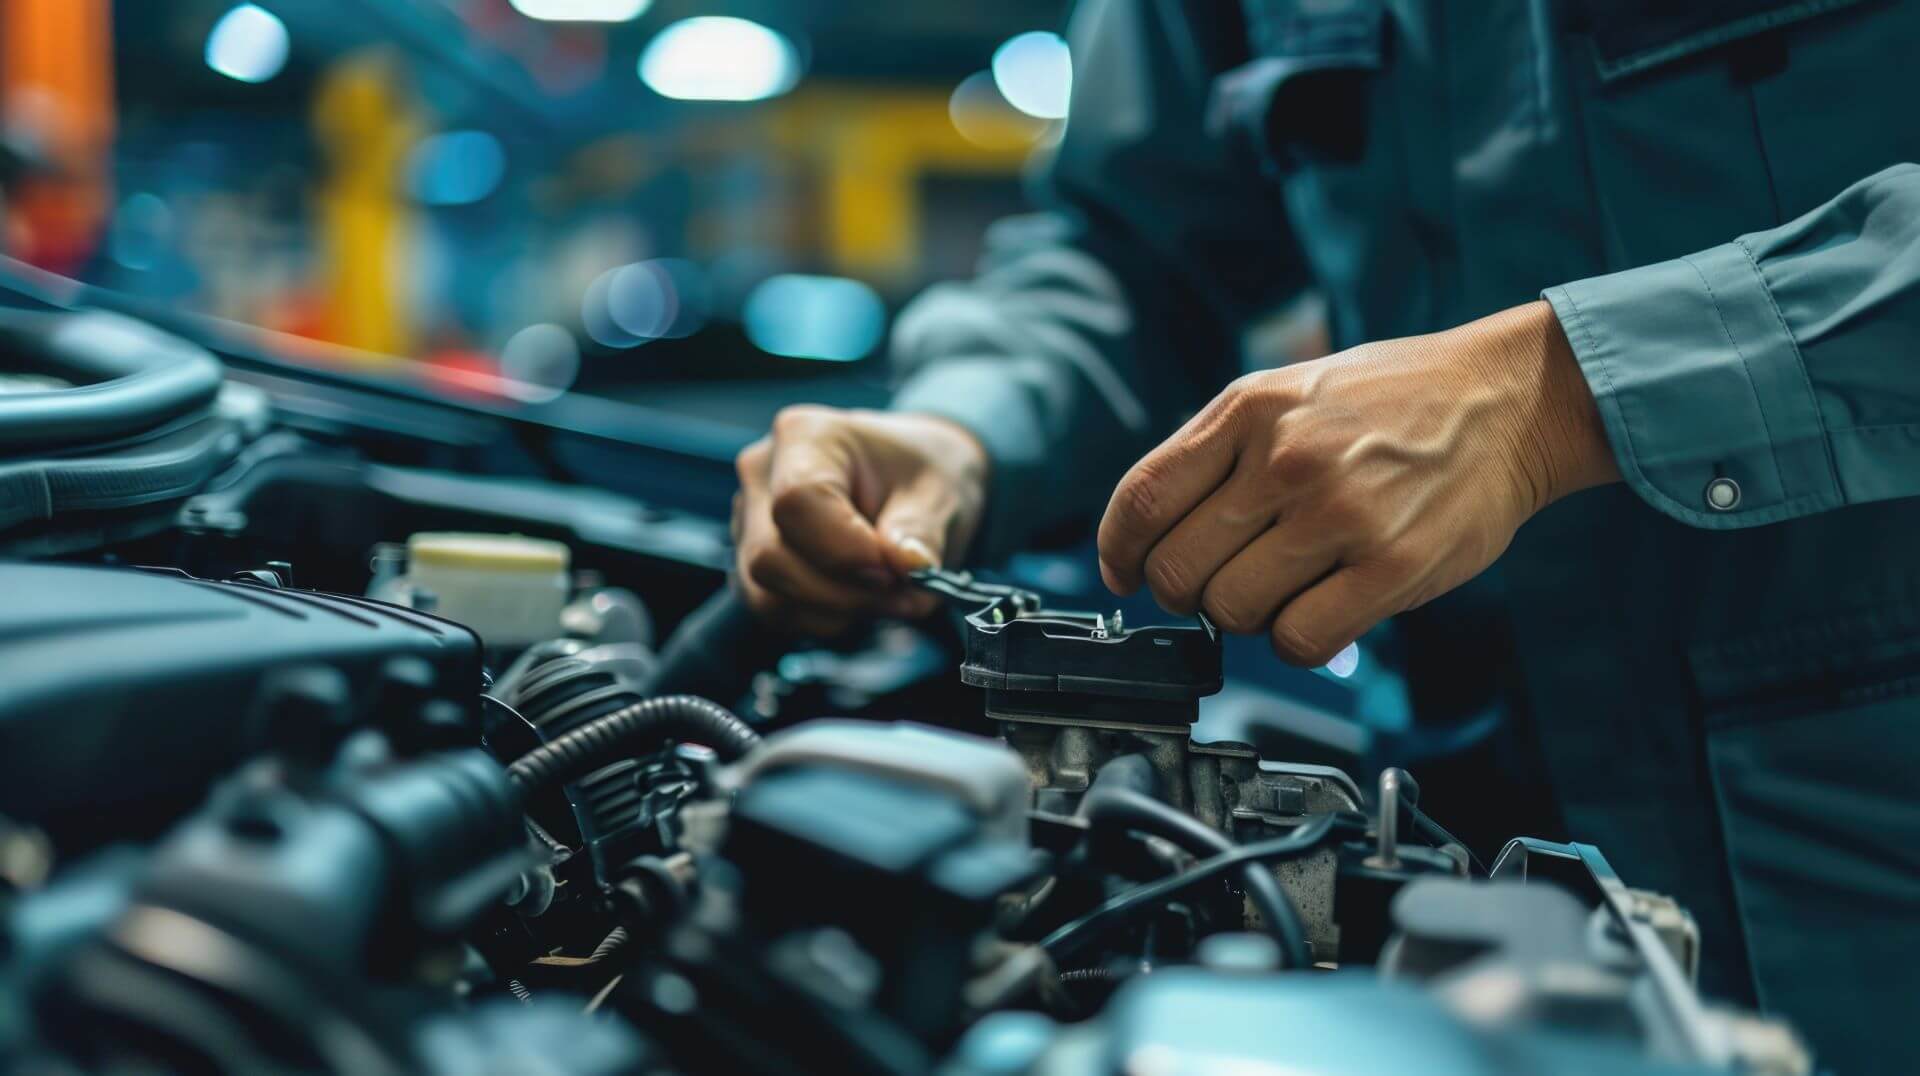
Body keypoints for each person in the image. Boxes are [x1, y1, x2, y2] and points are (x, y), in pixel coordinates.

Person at [730, 1, 1920, 1067]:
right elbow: (1130, 249)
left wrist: (1559, 394)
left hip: (1866, 858)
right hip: (1457, 845)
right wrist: (963, 428)